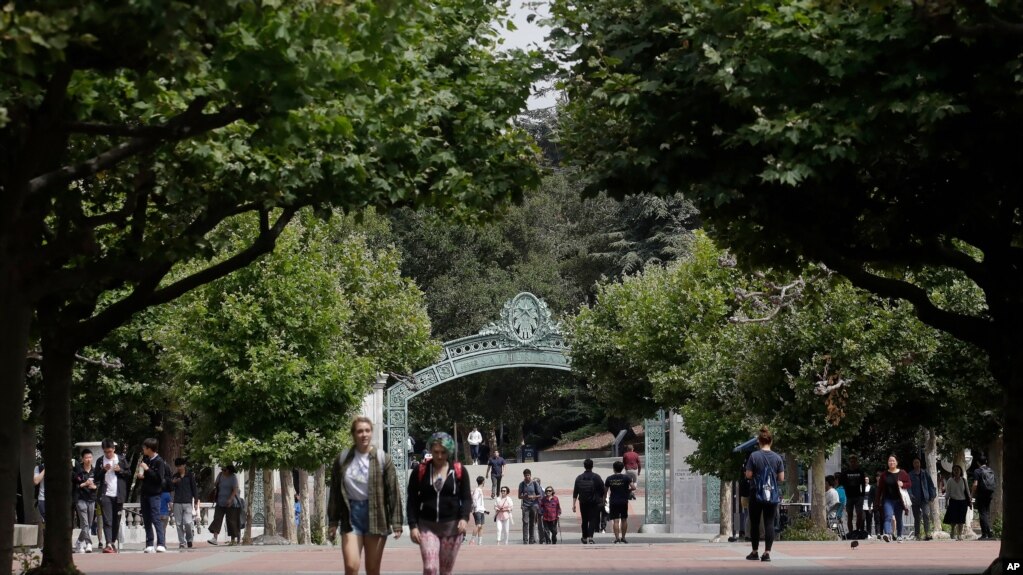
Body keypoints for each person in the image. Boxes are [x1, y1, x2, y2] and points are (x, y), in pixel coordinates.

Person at [327, 417, 403, 575]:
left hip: (376, 516)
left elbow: (393, 492)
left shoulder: (383, 459)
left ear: (371, 433)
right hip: (351, 515)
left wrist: (396, 523)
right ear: (353, 434)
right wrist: (333, 521)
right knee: (351, 566)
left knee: (373, 569)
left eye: (367, 430)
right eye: (360, 431)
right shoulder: (342, 459)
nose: (364, 434)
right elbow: (334, 492)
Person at [407, 432, 471, 575]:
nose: (440, 456)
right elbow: (412, 499)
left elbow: (466, 498)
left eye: (443, 452)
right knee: (430, 568)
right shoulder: (420, 471)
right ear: (430, 451)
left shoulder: (459, 471)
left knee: (445, 571)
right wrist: (413, 526)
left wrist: (464, 518)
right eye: (436, 452)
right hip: (427, 526)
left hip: (452, 528)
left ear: (449, 452)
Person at [745, 426, 784, 563]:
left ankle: (754, 552)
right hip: (771, 494)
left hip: (756, 493)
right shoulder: (777, 458)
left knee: (755, 523)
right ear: (771, 441)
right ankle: (767, 553)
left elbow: (749, 475)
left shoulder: (754, 456)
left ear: (759, 442)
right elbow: (781, 478)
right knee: (769, 522)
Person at [95, 439, 130, 553]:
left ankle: (113, 542)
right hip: (105, 494)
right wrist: (103, 470)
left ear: (114, 449)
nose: (108, 454)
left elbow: (128, 474)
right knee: (107, 520)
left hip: (118, 494)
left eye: (110, 451)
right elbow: (96, 478)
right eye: (105, 452)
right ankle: (108, 543)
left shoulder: (121, 459)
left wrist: (120, 470)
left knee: (116, 520)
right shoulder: (100, 461)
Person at [137, 437, 169, 553]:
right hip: (145, 494)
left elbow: (159, 479)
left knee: (156, 518)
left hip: (154, 494)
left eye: (144, 447)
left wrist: (147, 470)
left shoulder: (159, 461)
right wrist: (142, 476)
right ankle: (149, 544)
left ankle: (161, 543)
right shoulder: (147, 459)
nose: (143, 449)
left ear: (150, 448)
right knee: (146, 519)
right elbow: (148, 477)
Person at [876, 454, 911, 542]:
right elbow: (879, 489)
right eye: (889, 461)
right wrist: (877, 502)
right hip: (888, 500)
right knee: (888, 516)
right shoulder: (884, 475)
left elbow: (909, 483)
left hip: (899, 500)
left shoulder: (902, 473)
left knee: (899, 518)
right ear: (888, 463)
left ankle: (899, 535)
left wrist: (903, 484)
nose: (891, 462)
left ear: (896, 462)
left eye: (893, 461)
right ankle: (888, 534)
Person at [572, 458, 605, 544]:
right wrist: (602, 499)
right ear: (592, 466)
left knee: (584, 520)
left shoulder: (579, 478)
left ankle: (584, 537)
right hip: (594, 502)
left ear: (584, 466)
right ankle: (590, 537)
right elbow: (603, 489)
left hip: (583, 502)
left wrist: (574, 504)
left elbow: (575, 492)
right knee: (593, 519)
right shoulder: (596, 477)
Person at [72, 448, 98, 553]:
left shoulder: (95, 471)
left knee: (89, 524)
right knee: (85, 523)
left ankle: (79, 541)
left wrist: (94, 487)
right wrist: (84, 484)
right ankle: (88, 543)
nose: (88, 459)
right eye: (86, 457)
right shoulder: (78, 471)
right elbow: (75, 484)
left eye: (90, 457)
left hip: (91, 499)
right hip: (81, 499)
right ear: (82, 459)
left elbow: (99, 485)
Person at [207, 464, 241, 546]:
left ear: (229, 471)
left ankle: (233, 539)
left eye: (224, 470)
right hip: (220, 501)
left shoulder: (233, 477)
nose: (223, 471)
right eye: (222, 470)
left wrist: (230, 499)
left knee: (231, 521)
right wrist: (216, 483)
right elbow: (216, 484)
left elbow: (235, 489)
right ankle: (215, 538)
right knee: (217, 519)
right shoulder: (220, 475)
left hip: (231, 504)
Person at [171, 457, 199, 549]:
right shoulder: (175, 476)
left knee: (187, 522)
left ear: (184, 465)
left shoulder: (190, 475)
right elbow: (170, 488)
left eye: (180, 465)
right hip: (177, 502)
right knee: (178, 523)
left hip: (187, 502)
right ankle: (182, 542)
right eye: (177, 466)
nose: (179, 468)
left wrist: (196, 501)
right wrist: (173, 482)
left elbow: (194, 488)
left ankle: (189, 539)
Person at [605, 460, 635, 544]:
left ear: (614, 469)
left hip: (614, 501)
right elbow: (633, 487)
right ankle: (624, 537)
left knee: (615, 520)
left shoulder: (609, 478)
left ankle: (617, 538)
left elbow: (605, 490)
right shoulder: (626, 478)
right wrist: (627, 490)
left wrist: (604, 499)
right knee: (624, 519)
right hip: (623, 501)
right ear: (622, 469)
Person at [909, 457, 936, 541]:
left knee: (926, 514)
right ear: (913, 464)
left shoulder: (925, 473)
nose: (916, 464)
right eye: (915, 463)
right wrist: (910, 495)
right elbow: (908, 487)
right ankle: (917, 534)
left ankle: (927, 533)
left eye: (918, 462)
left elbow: (931, 485)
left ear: (920, 463)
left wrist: (932, 495)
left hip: (925, 498)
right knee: (917, 517)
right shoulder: (910, 474)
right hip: (915, 499)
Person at [970, 455, 996, 540]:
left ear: (978, 462)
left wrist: (972, 494)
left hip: (981, 494)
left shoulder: (977, 471)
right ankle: (988, 533)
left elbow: (975, 484)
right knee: (986, 513)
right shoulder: (990, 470)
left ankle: (985, 534)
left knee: (982, 513)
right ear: (986, 462)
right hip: (989, 494)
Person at [943, 464, 971, 541]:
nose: (956, 471)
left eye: (957, 470)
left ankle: (960, 535)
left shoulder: (964, 480)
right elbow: (947, 492)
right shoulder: (950, 480)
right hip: (953, 501)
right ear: (953, 471)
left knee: (961, 520)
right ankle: (952, 531)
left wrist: (970, 501)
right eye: (954, 470)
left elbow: (968, 491)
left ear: (960, 471)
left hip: (963, 502)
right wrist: (946, 502)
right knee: (953, 519)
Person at [841, 455, 866, 532]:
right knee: (850, 515)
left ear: (856, 462)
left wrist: (863, 494)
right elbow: (843, 484)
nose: (853, 463)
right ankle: (851, 532)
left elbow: (863, 484)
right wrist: (846, 494)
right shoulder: (846, 472)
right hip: (849, 497)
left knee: (859, 514)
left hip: (858, 496)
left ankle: (857, 530)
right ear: (849, 462)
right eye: (851, 462)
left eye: (854, 461)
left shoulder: (860, 472)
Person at [518, 468, 542, 544]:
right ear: (524, 476)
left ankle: (531, 539)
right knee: (525, 522)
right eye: (525, 475)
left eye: (528, 475)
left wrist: (533, 496)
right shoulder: (521, 484)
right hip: (525, 506)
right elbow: (519, 496)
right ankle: (525, 540)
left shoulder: (535, 483)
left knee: (532, 523)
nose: (527, 477)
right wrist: (523, 496)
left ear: (530, 475)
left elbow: (540, 495)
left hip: (533, 505)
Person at [470, 476, 486, 545]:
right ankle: (472, 539)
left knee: (481, 526)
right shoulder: (477, 490)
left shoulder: (480, 490)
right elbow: (474, 499)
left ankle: (480, 542)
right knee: (478, 525)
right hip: (477, 510)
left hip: (481, 510)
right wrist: (476, 508)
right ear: (483, 482)